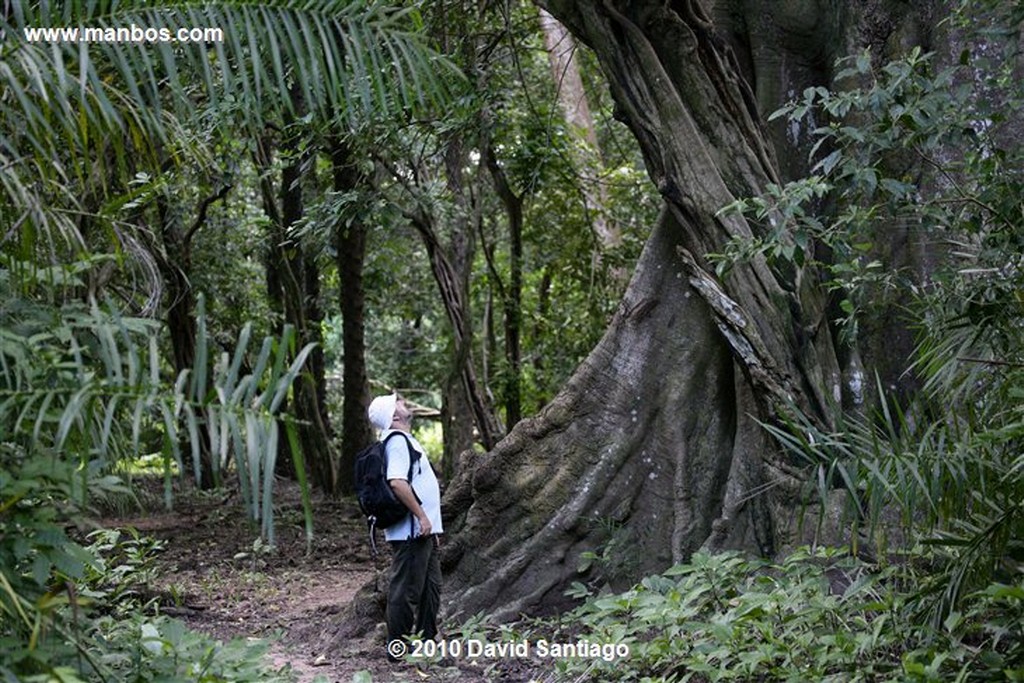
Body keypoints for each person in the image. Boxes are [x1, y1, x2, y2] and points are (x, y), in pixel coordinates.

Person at [367, 392, 443, 653]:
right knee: (406, 590)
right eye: (398, 402)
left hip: (422, 531)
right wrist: (422, 516)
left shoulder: (403, 440)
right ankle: (397, 648)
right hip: (411, 530)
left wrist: (430, 524)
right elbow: (397, 482)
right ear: (394, 415)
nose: (403, 403)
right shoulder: (397, 441)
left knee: (430, 587)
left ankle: (425, 642)